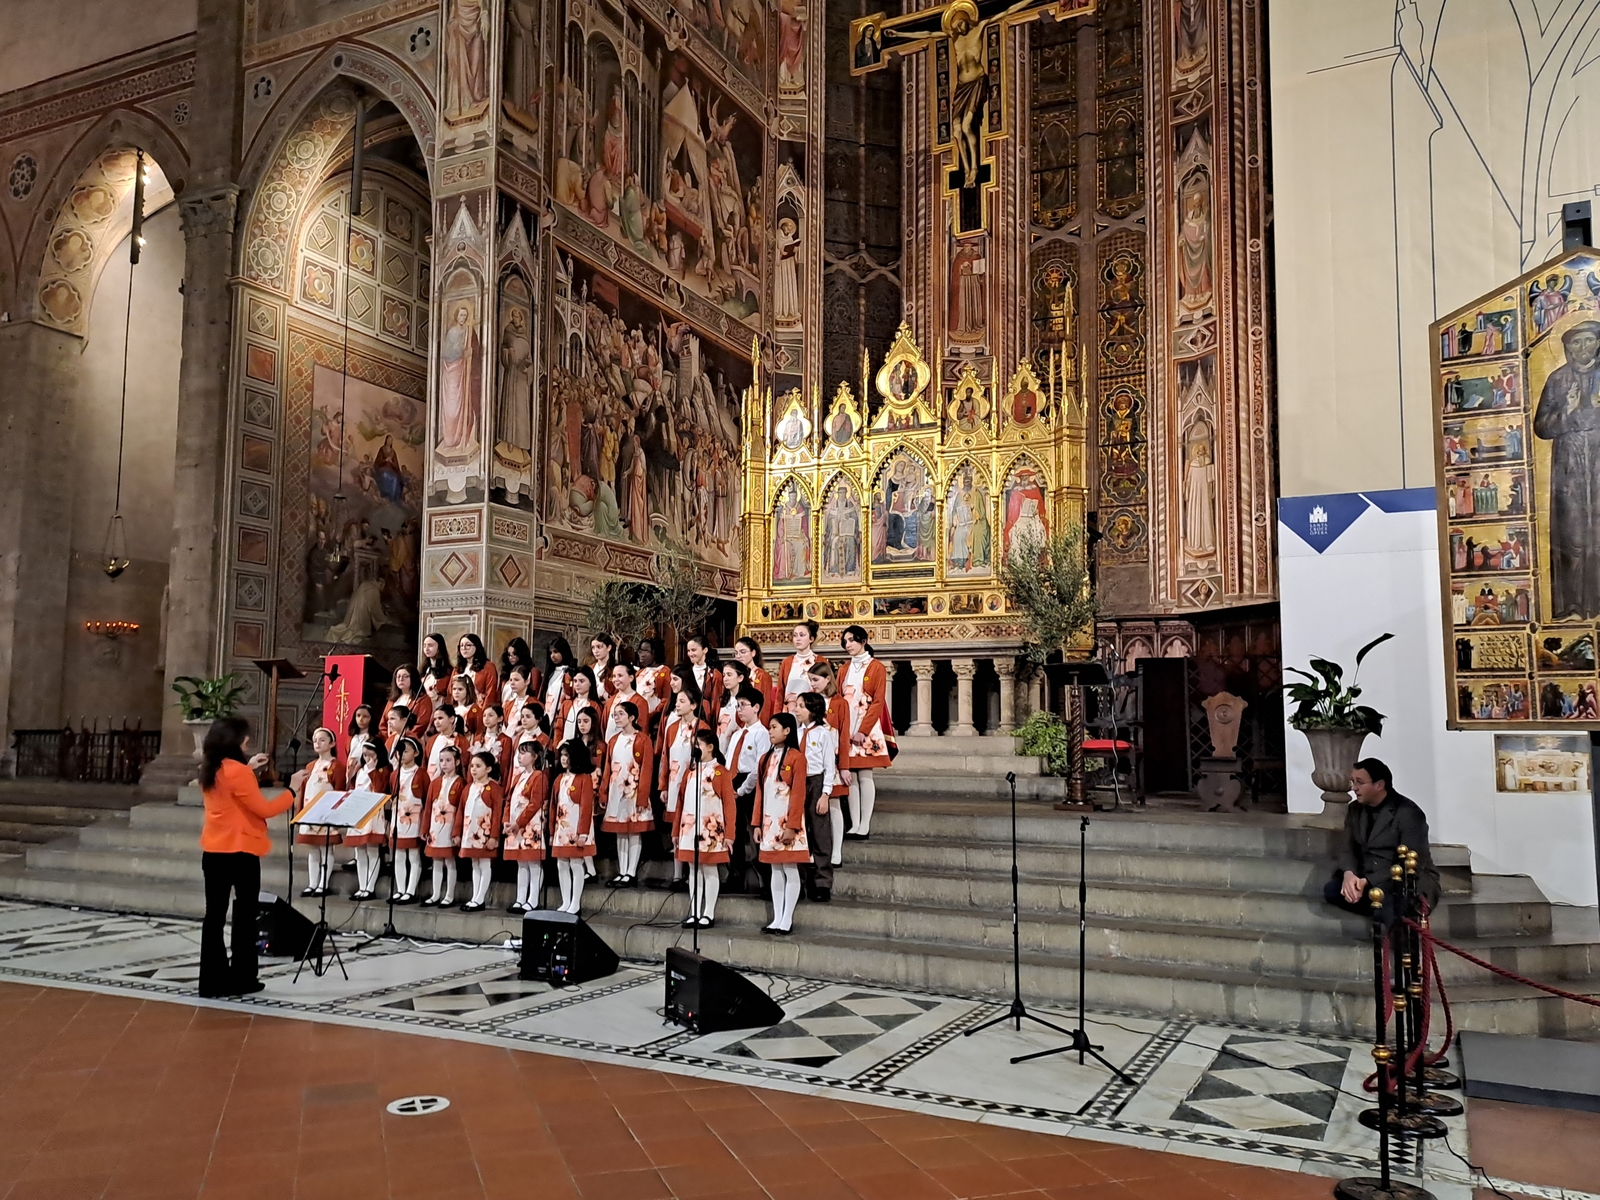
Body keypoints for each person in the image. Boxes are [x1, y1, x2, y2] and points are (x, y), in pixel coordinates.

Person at [197, 718, 293, 998]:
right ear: (234, 742)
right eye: (244, 738)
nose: (248, 742)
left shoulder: (210, 768)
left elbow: (230, 790)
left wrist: (249, 769)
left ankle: (211, 981)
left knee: (213, 917)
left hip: (214, 851)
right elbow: (264, 808)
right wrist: (293, 791)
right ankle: (242, 977)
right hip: (240, 852)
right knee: (244, 916)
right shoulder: (237, 772)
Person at [1324, 758, 1441, 925]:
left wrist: (1369, 881)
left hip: (1403, 880)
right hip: (1367, 879)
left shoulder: (1409, 813)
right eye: (1352, 782)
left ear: (1379, 785)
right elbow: (1347, 848)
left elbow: (1413, 862)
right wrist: (1349, 875)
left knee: (1393, 902)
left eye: (1359, 782)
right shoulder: (1355, 809)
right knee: (1332, 890)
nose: (1353, 788)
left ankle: (1391, 943)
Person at [674, 729, 737, 929]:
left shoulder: (720, 772)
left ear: (710, 747)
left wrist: (730, 835)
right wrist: (676, 830)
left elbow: (729, 804)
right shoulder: (690, 771)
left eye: (698, 745)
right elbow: (681, 802)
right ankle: (694, 911)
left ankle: (708, 912)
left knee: (709, 869)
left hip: (711, 830)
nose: (695, 749)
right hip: (689, 828)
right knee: (693, 869)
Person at [755, 713, 809, 934]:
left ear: (787, 730)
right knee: (775, 869)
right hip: (769, 821)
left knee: (790, 867)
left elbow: (798, 794)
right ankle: (777, 917)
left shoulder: (797, 758)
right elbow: (760, 792)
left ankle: (787, 918)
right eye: (769, 727)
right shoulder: (765, 758)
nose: (770, 731)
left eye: (774, 727)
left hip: (787, 821)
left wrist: (792, 825)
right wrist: (757, 823)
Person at [838, 625, 892, 839]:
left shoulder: (876, 667)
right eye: (845, 641)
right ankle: (855, 822)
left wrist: (863, 730)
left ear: (863, 641)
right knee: (849, 775)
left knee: (865, 775)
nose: (848, 645)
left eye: (852, 640)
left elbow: (878, 702)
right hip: (847, 725)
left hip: (866, 726)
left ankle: (865, 823)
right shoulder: (844, 668)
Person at [600, 700, 653, 887]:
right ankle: (622, 871)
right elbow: (607, 768)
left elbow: (646, 769)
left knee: (634, 832)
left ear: (632, 717)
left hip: (634, 790)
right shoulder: (613, 740)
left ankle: (631, 872)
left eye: (621, 714)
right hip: (616, 790)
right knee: (620, 832)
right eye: (615, 714)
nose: (617, 718)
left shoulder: (642, 739)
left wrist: (643, 796)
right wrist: (604, 792)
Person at [793, 691, 840, 901]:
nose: (797, 710)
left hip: (816, 782)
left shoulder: (823, 733)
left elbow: (829, 766)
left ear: (813, 709)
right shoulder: (795, 732)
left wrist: (825, 794)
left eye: (801, 706)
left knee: (819, 833)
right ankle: (801, 881)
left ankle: (822, 883)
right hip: (798, 783)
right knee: (800, 832)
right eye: (796, 705)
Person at [725, 685, 770, 892]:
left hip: (750, 786)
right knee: (733, 832)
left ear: (756, 707)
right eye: (737, 705)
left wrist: (742, 790)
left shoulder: (761, 734)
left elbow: (758, 767)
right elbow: (728, 762)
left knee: (754, 834)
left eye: (743, 705)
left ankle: (765, 881)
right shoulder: (736, 734)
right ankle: (735, 877)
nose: (739, 710)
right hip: (733, 781)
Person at [291, 727, 346, 898]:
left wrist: (336, 814)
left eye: (322, 740)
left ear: (332, 743)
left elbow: (339, 791)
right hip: (310, 812)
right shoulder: (310, 766)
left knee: (326, 848)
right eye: (315, 740)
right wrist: (300, 813)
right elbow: (304, 790)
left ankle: (323, 883)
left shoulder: (336, 767)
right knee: (313, 849)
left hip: (327, 813)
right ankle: (312, 883)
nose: (318, 743)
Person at [808, 661, 847, 867]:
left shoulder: (840, 703)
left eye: (815, 680)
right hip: (813, 762)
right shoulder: (809, 701)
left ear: (827, 679)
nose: (812, 684)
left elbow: (843, 736)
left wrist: (845, 766)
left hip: (832, 760)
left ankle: (836, 851)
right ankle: (815, 849)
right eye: (810, 680)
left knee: (834, 805)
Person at [551, 739, 597, 913]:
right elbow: (554, 807)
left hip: (577, 828)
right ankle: (565, 901)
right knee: (561, 864)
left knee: (576, 864)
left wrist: (583, 833)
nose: (563, 759)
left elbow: (586, 807)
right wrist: (551, 832)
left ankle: (575, 902)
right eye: (562, 755)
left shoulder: (584, 779)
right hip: (561, 829)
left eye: (567, 755)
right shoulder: (559, 779)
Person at [503, 739, 549, 913]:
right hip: (515, 825)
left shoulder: (539, 776)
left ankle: (533, 899)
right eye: (519, 753)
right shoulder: (518, 776)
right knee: (521, 863)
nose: (520, 756)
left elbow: (535, 803)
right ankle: (520, 898)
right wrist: (506, 821)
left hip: (530, 825)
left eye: (524, 753)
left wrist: (519, 823)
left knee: (533, 863)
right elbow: (509, 800)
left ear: (535, 756)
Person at [343, 739, 392, 901]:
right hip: (358, 811)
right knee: (360, 851)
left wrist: (372, 771)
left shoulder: (384, 769)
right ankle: (362, 886)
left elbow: (380, 789)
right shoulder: (360, 769)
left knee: (372, 850)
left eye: (370, 755)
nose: (367, 758)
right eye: (364, 755)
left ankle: (370, 888)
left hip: (373, 813)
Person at [458, 750, 505, 912]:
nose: (473, 769)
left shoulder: (494, 789)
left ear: (489, 769)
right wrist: (457, 833)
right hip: (470, 832)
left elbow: (497, 814)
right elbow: (461, 810)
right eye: (472, 766)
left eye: (478, 766)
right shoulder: (468, 788)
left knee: (484, 864)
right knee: (474, 864)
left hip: (484, 834)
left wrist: (494, 836)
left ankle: (480, 898)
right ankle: (474, 897)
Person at [422, 745, 466, 908]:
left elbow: (461, 809)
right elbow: (428, 807)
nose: (444, 764)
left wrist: (457, 832)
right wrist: (425, 828)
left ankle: (449, 895)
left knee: (450, 861)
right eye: (441, 761)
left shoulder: (460, 783)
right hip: (435, 827)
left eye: (448, 760)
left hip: (450, 827)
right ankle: (435, 894)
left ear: (457, 762)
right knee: (437, 862)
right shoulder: (435, 783)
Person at [390, 736, 429, 904]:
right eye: (400, 752)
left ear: (416, 753)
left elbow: (427, 798)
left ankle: (410, 890)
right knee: (398, 856)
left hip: (414, 820)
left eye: (406, 751)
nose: (402, 755)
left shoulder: (421, 774)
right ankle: (400, 889)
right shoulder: (394, 774)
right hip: (397, 819)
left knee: (413, 856)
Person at [778, 620, 827, 698]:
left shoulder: (821, 661)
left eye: (802, 635)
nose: (798, 639)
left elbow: (826, 690)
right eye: (795, 635)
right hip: (789, 707)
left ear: (811, 639)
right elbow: (780, 691)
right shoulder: (786, 662)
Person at [734, 637, 778, 722]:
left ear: (753, 653)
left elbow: (764, 706)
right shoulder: (734, 674)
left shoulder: (762, 676)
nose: (738, 656)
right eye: (736, 653)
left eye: (742, 652)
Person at [684, 635, 723, 722]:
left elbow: (716, 702)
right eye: (688, 651)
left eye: (693, 650)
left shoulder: (714, 674)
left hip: (706, 718)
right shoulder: (685, 673)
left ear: (705, 650)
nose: (690, 654)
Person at [385, 665, 431, 735]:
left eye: (405, 676)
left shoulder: (423, 699)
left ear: (413, 678)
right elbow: (383, 724)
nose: (401, 679)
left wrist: (406, 736)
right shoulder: (392, 700)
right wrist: (389, 740)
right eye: (398, 676)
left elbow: (422, 724)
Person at [635, 637, 672, 725]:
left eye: (646, 651)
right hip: (636, 717)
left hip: (654, 720)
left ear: (656, 652)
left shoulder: (665, 671)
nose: (642, 655)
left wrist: (652, 716)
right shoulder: (639, 672)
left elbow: (667, 698)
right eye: (640, 651)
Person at [458, 633, 499, 704]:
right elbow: (450, 691)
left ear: (476, 646)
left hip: (478, 707)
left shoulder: (488, 666)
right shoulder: (458, 667)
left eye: (468, 645)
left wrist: (485, 712)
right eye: (461, 645)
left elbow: (491, 691)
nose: (464, 648)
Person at [500, 636, 539, 707]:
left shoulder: (532, 672)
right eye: (509, 655)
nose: (511, 657)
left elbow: (534, 693)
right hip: (506, 709)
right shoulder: (506, 672)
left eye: (514, 654)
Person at [543, 635, 575, 715]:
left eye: (555, 651)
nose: (552, 656)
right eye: (550, 653)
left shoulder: (571, 672)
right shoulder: (550, 672)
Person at [420, 633, 454, 706]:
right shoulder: (423, 670)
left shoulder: (449, 671)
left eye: (430, 645)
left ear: (439, 647)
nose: (426, 649)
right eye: (424, 645)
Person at [589, 632, 616, 701]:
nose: (595, 651)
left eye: (599, 647)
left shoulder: (615, 669)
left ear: (609, 647)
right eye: (593, 648)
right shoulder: (590, 668)